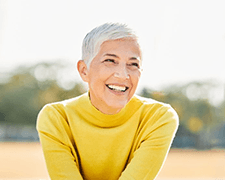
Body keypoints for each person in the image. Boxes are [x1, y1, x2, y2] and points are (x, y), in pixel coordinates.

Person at [37, 23, 179, 180]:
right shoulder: (57, 117)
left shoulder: (158, 117)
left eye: (133, 64)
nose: (123, 75)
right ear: (84, 70)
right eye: (110, 61)